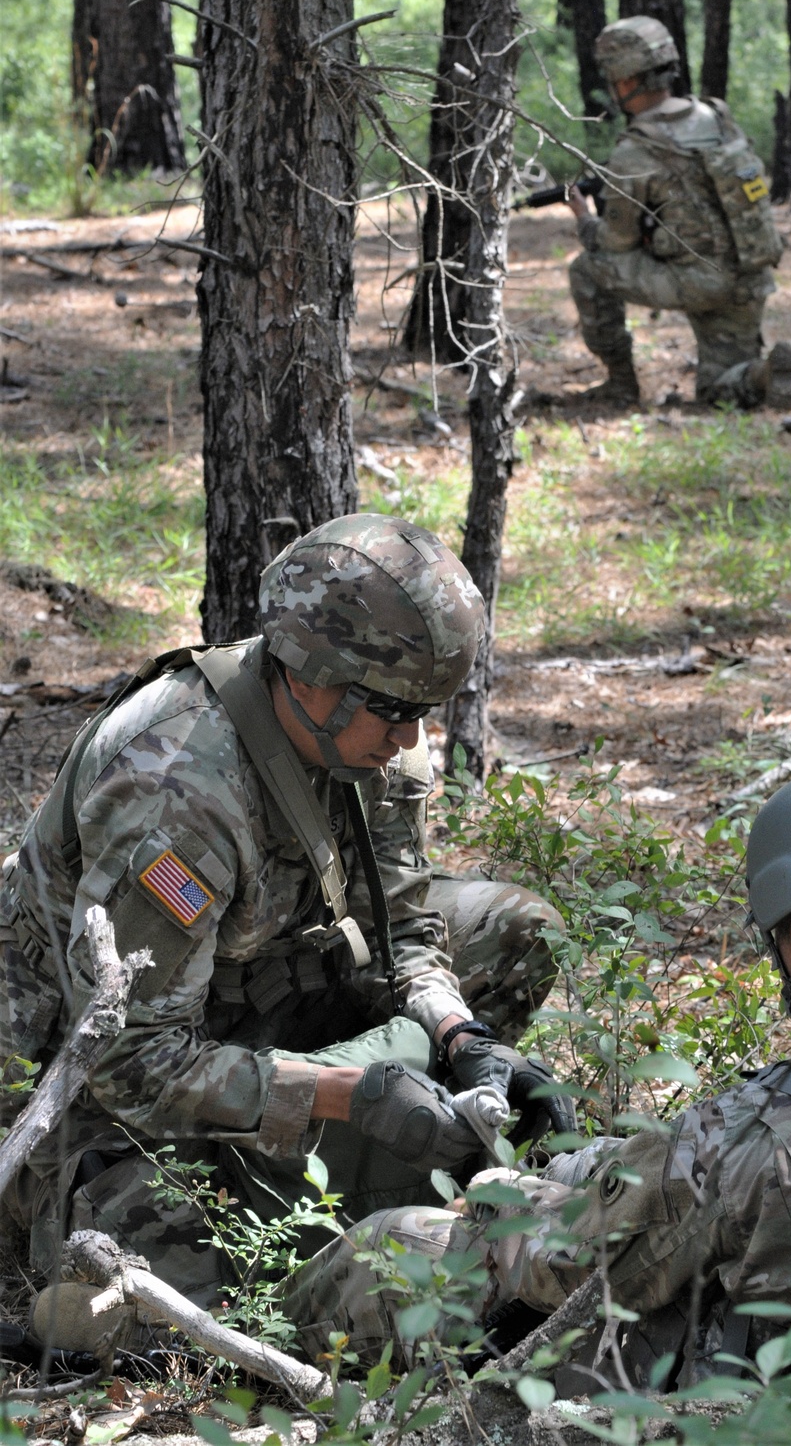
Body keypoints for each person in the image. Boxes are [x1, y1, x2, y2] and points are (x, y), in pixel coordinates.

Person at [0, 514, 573, 1325]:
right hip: (85, 1079)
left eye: (425, 710)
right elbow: (128, 1063)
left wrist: (460, 1038)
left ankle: (339, 1154)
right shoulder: (179, 794)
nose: (412, 736)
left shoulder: (374, 737)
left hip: (252, 993)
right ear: (309, 679)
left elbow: (405, 927)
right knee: (159, 1244)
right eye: (390, 710)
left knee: (519, 930)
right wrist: (350, 1095)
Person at [280, 760, 791, 1385]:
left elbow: (566, 1259)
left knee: (393, 1246)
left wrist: (500, 1190)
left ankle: (242, 1348)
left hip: (746, 1396)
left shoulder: (758, 1143)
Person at [564, 16, 791, 410]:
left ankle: (621, 386)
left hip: (697, 281)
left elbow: (614, 243)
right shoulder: (718, 117)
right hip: (749, 276)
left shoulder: (633, 151)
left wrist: (585, 220)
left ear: (622, 81)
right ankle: (762, 375)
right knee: (717, 391)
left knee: (587, 269)